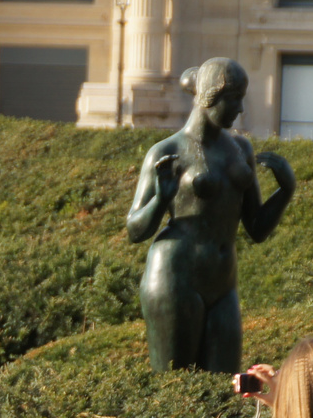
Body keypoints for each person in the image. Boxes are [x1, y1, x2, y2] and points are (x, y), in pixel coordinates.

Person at [126, 58, 296, 373]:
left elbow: (256, 228)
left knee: (225, 385)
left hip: (223, 280)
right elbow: (135, 228)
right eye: (234, 98)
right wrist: (162, 199)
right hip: (175, 277)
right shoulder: (167, 151)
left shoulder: (241, 149)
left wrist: (285, 191)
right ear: (209, 96)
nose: (241, 108)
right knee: (175, 387)